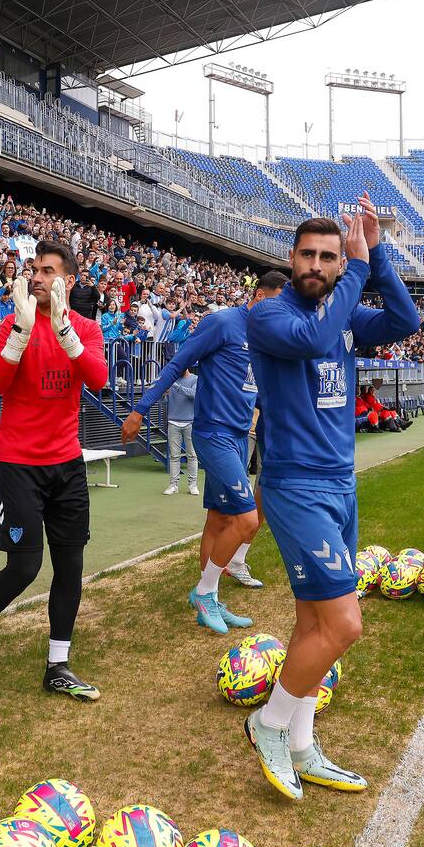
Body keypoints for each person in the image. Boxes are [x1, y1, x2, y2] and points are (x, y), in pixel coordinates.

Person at [244, 199, 419, 801]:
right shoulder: (271, 317)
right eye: (308, 255)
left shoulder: (341, 309)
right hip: (295, 486)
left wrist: (379, 255)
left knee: (312, 622)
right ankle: (268, 725)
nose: (317, 265)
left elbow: (404, 321)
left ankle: (301, 744)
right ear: (290, 260)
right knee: (344, 625)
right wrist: (355, 271)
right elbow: (317, 337)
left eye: (329, 256)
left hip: (340, 483)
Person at [0, 240, 108, 699]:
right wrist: (21, 332)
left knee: (70, 565)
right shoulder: (11, 323)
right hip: (19, 462)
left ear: (68, 281)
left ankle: (57, 665)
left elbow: (97, 378)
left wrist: (64, 330)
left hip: (66, 461)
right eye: (33, 269)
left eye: (47, 271)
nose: (36, 277)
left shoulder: (84, 327)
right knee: (24, 566)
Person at [121, 270, 287, 632]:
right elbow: (176, 365)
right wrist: (139, 410)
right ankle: (205, 591)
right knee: (246, 519)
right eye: (275, 303)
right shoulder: (222, 323)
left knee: (218, 520)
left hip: (240, 437)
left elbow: (257, 391)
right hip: (213, 434)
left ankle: (208, 599)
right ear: (257, 295)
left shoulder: (265, 340)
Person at [160, 369, 199, 495]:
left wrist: (175, 386)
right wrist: (163, 394)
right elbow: (164, 402)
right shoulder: (172, 380)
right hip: (173, 422)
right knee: (174, 456)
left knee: (192, 455)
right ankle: (173, 485)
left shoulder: (195, 379)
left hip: (190, 422)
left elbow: (193, 394)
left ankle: (192, 485)